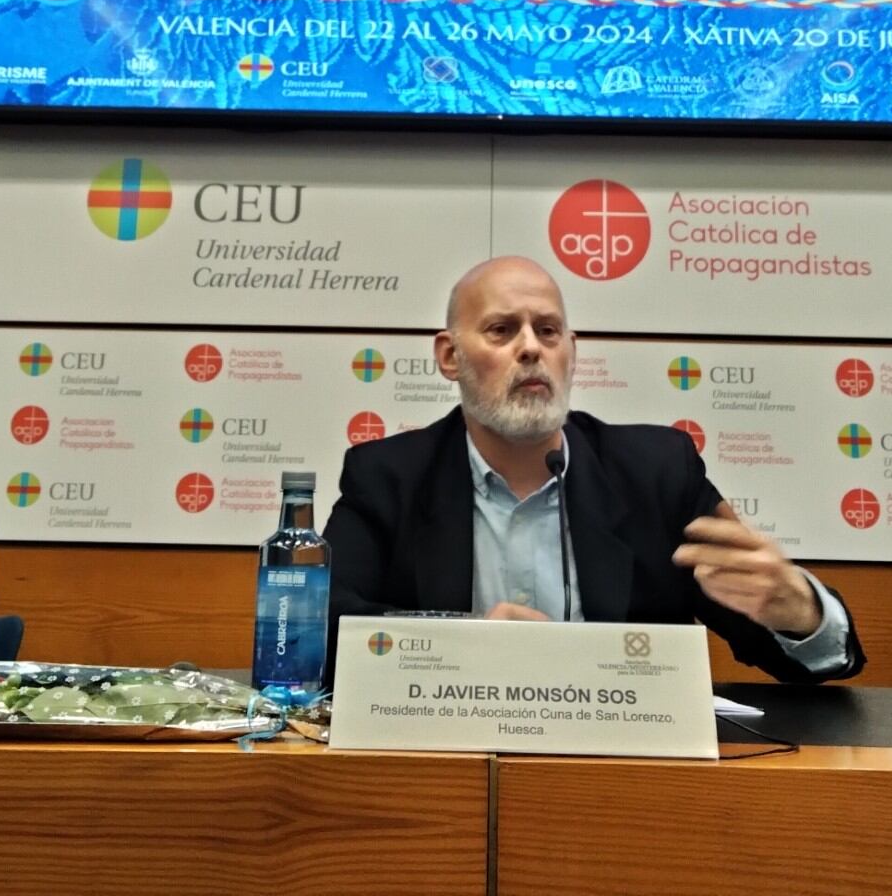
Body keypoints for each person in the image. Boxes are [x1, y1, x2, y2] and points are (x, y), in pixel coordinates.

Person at [323, 255, 864, 681]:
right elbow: (323, 626)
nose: (531, 348)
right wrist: (464, 638)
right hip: (445, 764)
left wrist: (800, 612)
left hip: (623, 770)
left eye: (548, 331)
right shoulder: (388, 477)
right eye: (502, 330)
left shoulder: (657, 474)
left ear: (572, 353)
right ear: (449, 356)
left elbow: (799, 656)